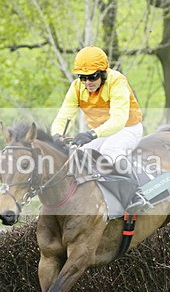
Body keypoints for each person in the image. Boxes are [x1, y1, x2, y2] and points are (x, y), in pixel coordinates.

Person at [50, 45, 145, 207]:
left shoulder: (117, 81)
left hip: (127, 128)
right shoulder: (76, 87)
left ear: (102, 73)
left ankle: (138, 194)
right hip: (101, 132)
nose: (88, 82)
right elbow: (64, 115)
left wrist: (91, 134)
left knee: (110, 151)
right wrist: (56, 135)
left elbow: (118, 120)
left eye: (92, 77)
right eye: (83, 77)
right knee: (82, 156)